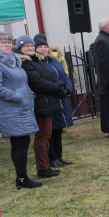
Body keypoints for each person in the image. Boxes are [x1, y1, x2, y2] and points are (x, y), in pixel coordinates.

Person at [0, 31, 41, 189]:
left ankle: (21, 178)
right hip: (10, 108)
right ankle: (22, 178)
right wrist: (17, 96)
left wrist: (28, 95)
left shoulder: (12, 61)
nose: (8, 45)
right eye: (4, 43)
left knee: (20, 141)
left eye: (9, 42)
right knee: (21, 141)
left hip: (20, 107)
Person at [19, 35, 66, 180]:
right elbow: (38, 82)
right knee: (42, 137)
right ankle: (43, 167)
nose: (30, 48)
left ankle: (46, 165)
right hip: (40, 103)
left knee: (47, 135)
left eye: (31, 46)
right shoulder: (25, 63)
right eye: (26, 46)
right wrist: (56, 88)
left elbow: (49, 76)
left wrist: (59, 86)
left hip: (48, 101)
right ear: (20, 48)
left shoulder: (36, 60)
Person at [39, 35, 74, 168]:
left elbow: (65, 75)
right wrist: (58, 90)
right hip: (51, 98)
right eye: (40, 47)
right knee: (51, 131)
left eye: (44, 46)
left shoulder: (54, 60)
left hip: (61, 98)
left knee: (59, 129)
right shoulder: (38, 63)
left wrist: (68, 89)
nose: (43, 49)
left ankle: (58, 156)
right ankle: (51, 157)